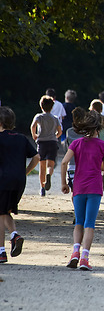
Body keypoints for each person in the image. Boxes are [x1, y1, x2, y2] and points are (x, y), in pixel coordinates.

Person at [60, 108, 104, 271]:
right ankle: (85, 258)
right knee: (90, 224)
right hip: (95, 188)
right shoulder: (103, 146)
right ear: (98, 129)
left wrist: (64, 183)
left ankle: (75, 252)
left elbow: (63, 163)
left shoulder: (76, 143)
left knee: (79, 222)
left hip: (79, 188)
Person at [0, 107, 40, 263]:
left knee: (0, 213)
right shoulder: (21, 138)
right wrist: (25, 172)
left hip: (3, 179)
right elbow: (37, 157)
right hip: (19, 181)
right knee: (5, 211)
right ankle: (14, 236)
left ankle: (2, 251)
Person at [31, 95, 63, 196]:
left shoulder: (39, 116)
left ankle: (42, 188)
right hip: (52, 142)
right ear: (52, 107)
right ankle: (49, 175)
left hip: (42, 143)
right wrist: (56, 136)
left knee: (42, 166)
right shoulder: (55, 118)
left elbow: (33, 126)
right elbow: (60, 131)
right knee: (50, 165)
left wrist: (35, 135)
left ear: (41, 106)